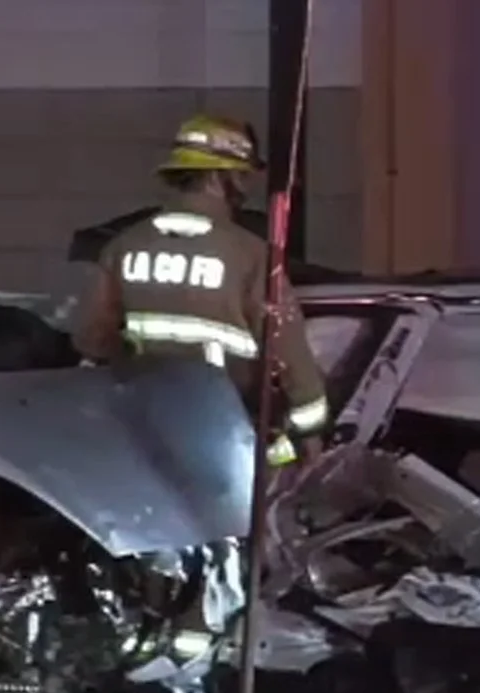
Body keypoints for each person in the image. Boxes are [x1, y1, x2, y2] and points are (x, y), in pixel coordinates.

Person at [71, 113, 330, 467]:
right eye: (244, 175)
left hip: (143, 429)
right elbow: (291, 355)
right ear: (223, 176)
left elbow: (92, 340)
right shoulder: (251, 256)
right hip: (222, 433)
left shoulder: (122, 247)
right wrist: (309, 432)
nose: (247, 185)